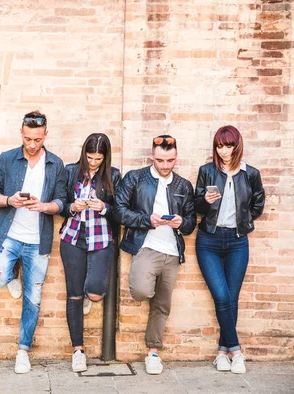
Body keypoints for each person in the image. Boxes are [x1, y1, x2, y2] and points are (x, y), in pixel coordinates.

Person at [0, 110, 67, 374]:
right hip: (8, 235)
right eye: (28, 139)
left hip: (37, 242)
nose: (32, 145)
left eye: (37, 140)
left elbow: (62, 202)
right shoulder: (8, 159)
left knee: (33, 299)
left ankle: (23, 350)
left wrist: (44, 206)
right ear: (21, 134)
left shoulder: (56, 164)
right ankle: (12, 274)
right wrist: (10, 200)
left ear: (45, 135)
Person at [115, 135, 196, 375]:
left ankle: (153, 352)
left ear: (176, 158)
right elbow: (118, 211)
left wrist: (182, 222)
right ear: (152, 156)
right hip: (147, 247)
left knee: (162, 305)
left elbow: (191, 222)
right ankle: (147, 285)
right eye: (160, 160)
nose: (165, 165)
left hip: (172, 252)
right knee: (141, 291)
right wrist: (146, 220)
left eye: (170, 160)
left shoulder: (183, 185)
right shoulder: (135, 178)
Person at [194, 126, 265, 374]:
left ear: (237, 146)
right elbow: (197, 206)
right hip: (209, 241)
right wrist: (206, 201)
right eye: (219, 146)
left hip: (237, 241)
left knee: (232, 299)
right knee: (222, 297)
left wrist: (243, 220)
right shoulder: (207, 171)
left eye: (228, 145)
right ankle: (236, 349)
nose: (223, 151)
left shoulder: (250, 174)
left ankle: (222, 352)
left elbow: (258, 205)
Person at [58, 133, 121, 372]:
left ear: (105, 157)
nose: (93, 162)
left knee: (94, 292)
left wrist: (104, 207)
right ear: (83, 153)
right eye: (90, 156)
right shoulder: (70, 171)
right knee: (73, 295)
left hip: (101, 238)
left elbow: (119, 211)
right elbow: (60, 204)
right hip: (73, 237)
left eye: (98, 158)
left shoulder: (113, 175)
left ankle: (88, 289)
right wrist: (72, 207)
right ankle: (78, 350)